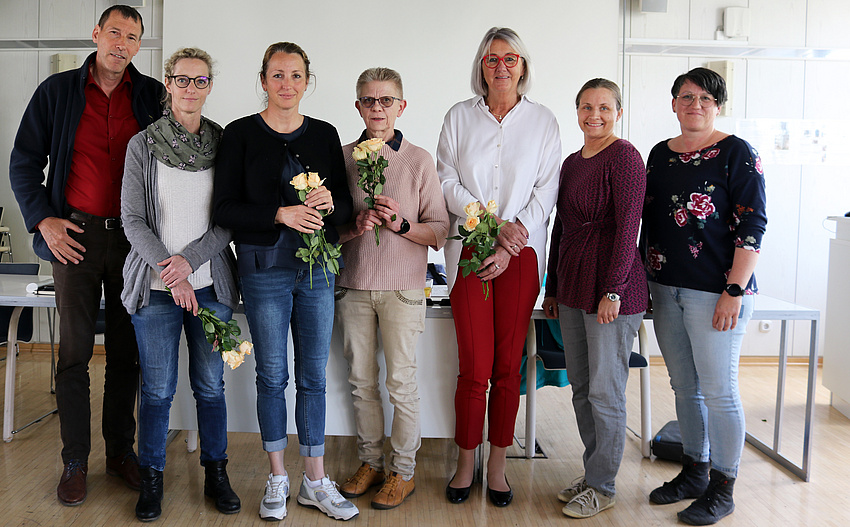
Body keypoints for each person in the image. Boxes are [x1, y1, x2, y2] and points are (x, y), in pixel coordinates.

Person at [8, 5, 164, 507]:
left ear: (140, 45)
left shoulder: (151, 95)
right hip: (72, 237)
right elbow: (24, 162)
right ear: (96, 34)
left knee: (126, 354)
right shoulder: (57, 92)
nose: (121, 42)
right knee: (73, 354)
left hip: (133, 241)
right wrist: (43, 220)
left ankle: (120, 453)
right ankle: (74, 461)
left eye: (132, 36)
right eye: (114, 31)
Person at [213, 42, 356, 522]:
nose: (287, 84)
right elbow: (225, 210)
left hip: (317, 273)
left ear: (307, 81)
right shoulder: (239, 135)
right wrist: (279, 212)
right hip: (263, 272)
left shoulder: (325, 135)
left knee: (314, 378)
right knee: (273, 376)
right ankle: (278, 477)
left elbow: (345, 215)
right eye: (278, 75)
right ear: (263, 79)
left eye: (296, 76)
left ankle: (315, 480)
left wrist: (328, 204)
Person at [437, 27, 561, 507]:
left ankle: (499, 465)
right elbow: (446, 180)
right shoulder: (458, 118)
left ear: (523, 66)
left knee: (508, 367)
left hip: (522, 254)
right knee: (474, 368)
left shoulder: (544, 122)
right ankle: (465, 462)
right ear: (482, 66)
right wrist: (489, 226)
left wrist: (510, 242)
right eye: (492, 59)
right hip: (470, 250)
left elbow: (546, 191)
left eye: (511, 58)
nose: (502, 66)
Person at [641, 67, 766, 526]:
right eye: (687, 97)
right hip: (664, 286)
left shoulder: (736, 152)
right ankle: (694, 470)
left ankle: (723, 485)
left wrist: (734, 289)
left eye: (706, 99)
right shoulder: (659, 155)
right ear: (673, 103)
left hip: (717, 292)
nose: (696, 105)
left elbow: (753, 226)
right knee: (684, 386)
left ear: (718, 106)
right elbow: (648, 222)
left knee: (719, 391)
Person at [121, 47, 240, 521]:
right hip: (153, 289)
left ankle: (216, 473)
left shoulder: (226, 143)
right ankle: (151, 479)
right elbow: (132, 219)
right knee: (157, 390)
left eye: (201, 81)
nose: (192, 89)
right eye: (183, 80)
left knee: (210, 386)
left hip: (211, 285)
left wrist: (187, 266)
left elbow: (228, 219)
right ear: (167, 84)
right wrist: (171, 274)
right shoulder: (142, 145)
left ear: (210, 86)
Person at [335, 67, 449, 510]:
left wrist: (401, 225)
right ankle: (370, 463)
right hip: (354, 285)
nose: (377, 108)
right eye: (369, 100)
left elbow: (439, 230)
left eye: (386, 101)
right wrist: (353, 227)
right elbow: (329, 229)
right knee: (361, 381)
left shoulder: (419, 161)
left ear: (402, 107)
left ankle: (403, 471)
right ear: (358, 106)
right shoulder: (342, 157)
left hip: (402, 289)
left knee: (401, 383)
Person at [541, 79, 647, 519]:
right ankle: (592, 473)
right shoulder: (570, 162)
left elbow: (628, 229)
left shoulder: (624, 157)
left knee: (606, 391)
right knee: (582, 388)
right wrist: (552, 287)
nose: (594, 115)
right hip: (572, 287)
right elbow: (559, 226)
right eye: (586, 107)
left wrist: (614, 290)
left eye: (604, 107)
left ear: (618, 112)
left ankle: (603, 486)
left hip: (611, 290)